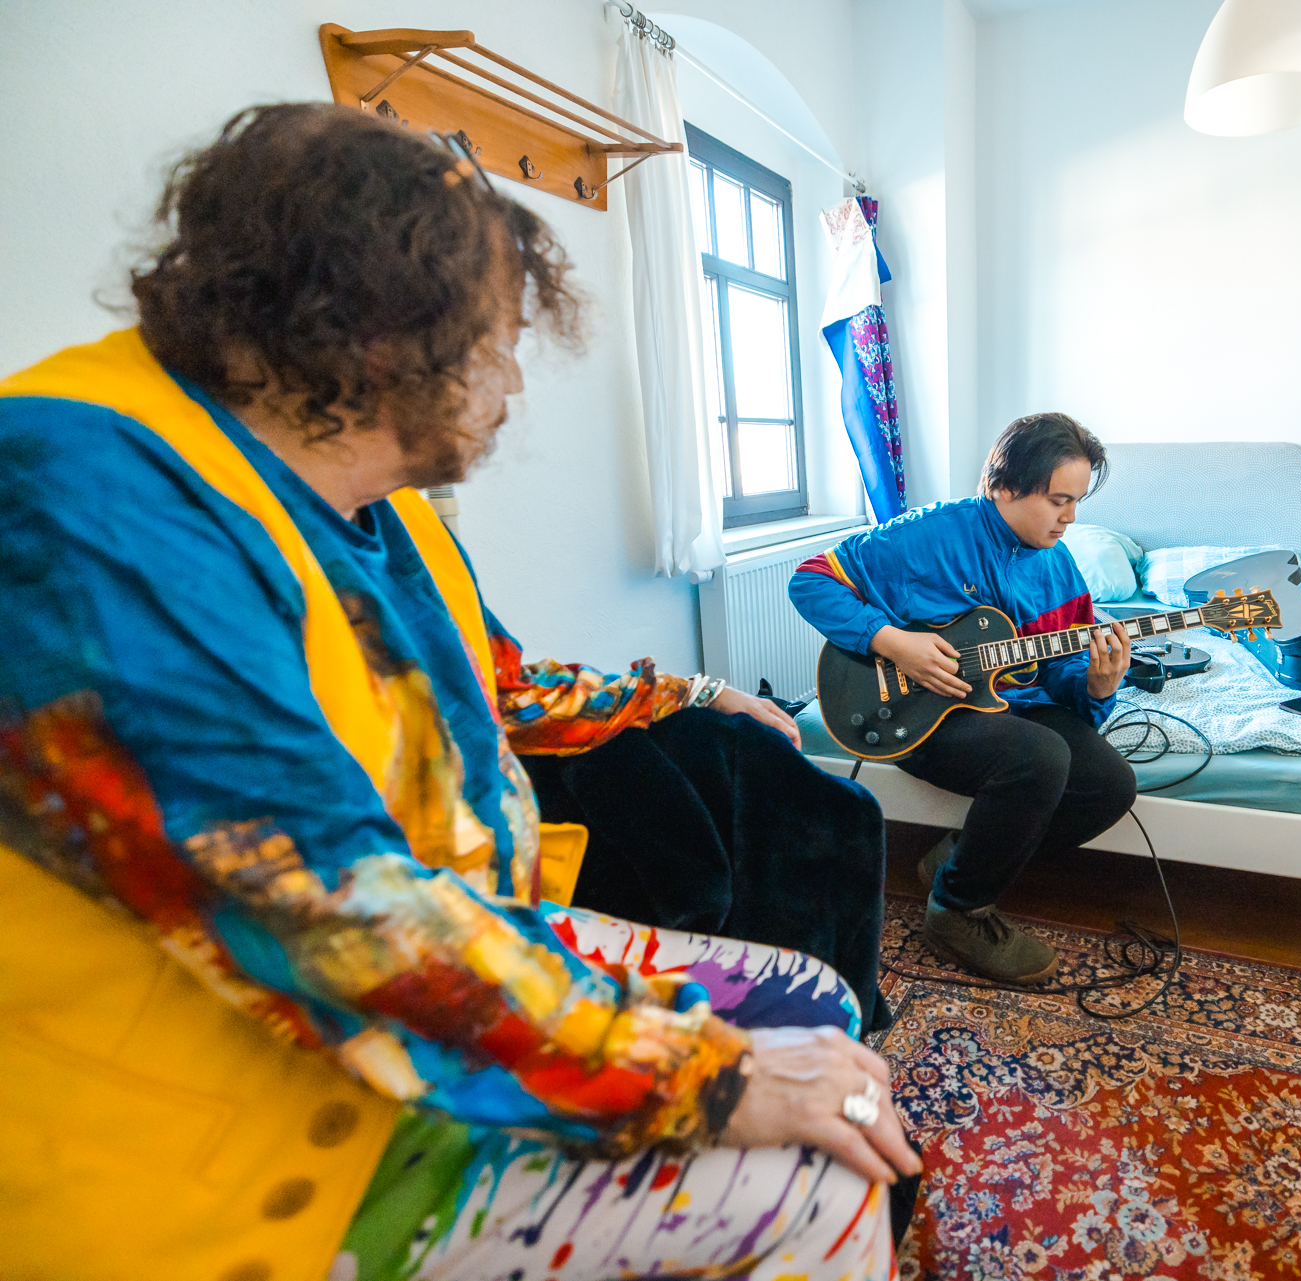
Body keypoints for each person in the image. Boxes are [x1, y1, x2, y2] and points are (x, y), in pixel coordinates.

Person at [0, 103, 917, 1281]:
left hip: (433, 949)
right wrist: (717, 1077)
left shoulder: (378, 506)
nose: (516, 379)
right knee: (810, 1187)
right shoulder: (77, 498)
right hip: (236, 1125)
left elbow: (505, 685)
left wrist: (694, 693)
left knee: (812, 995)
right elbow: (328, 909)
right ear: (390, 340)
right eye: (502, 340)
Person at [790, 413, 1138, 984]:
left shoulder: (1059, 566)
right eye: (1058, 501)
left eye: (1076, 502)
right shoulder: (924, 537)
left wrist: (1097, 686)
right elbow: (810, 580)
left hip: (1008, 704)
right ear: (1005, 486)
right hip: (914, 710)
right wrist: (894, 642)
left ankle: (958, 858)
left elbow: (1063, 673)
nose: (1070, 518)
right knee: (1040, 756)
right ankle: (957, 911)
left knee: (1110, 786)